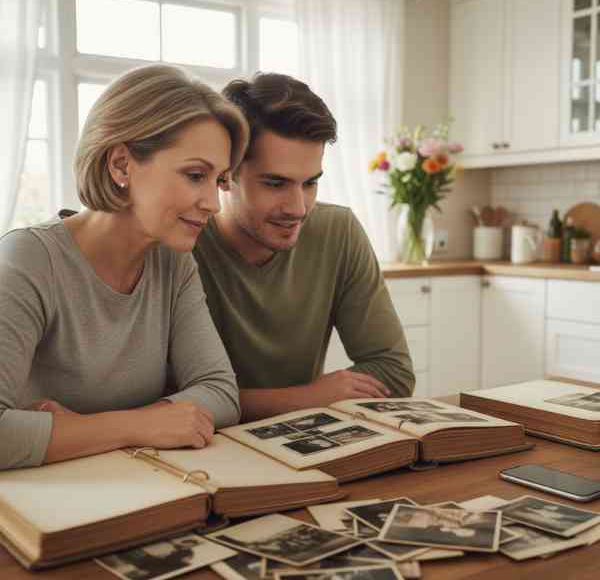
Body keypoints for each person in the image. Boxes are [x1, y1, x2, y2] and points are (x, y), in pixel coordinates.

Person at [0, 64, 249, 470]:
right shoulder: (28, 258)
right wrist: (138, 425)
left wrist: (87, 430)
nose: (213, 203)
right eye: (194, 175)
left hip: (132, 490)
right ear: (120, 165)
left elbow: (221, 392)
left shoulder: (176, 263)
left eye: (218, 180)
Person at [193, 73, 414, 422]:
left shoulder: (338, 231)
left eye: (310, 183)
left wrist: (304, 402)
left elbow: (394, 373)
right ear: (226, 175)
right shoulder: (182, 241)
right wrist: (309, 398)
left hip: (301, 443)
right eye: (275, 183)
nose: (297, 208)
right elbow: (169, 401)